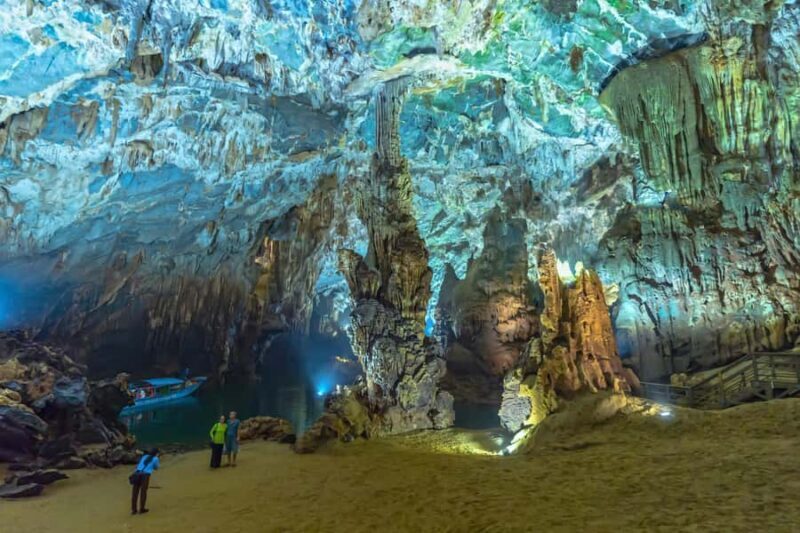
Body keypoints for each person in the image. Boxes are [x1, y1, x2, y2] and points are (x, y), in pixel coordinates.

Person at [131, 448, 160, 515]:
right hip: (145, 475)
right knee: (143, 492)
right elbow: (156, 468)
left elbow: (139, 465)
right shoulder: (155, 458)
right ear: (156, 453)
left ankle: (134, 510)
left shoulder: (144, 456)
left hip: (137, 473)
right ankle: (142, 509)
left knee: (135, 492)